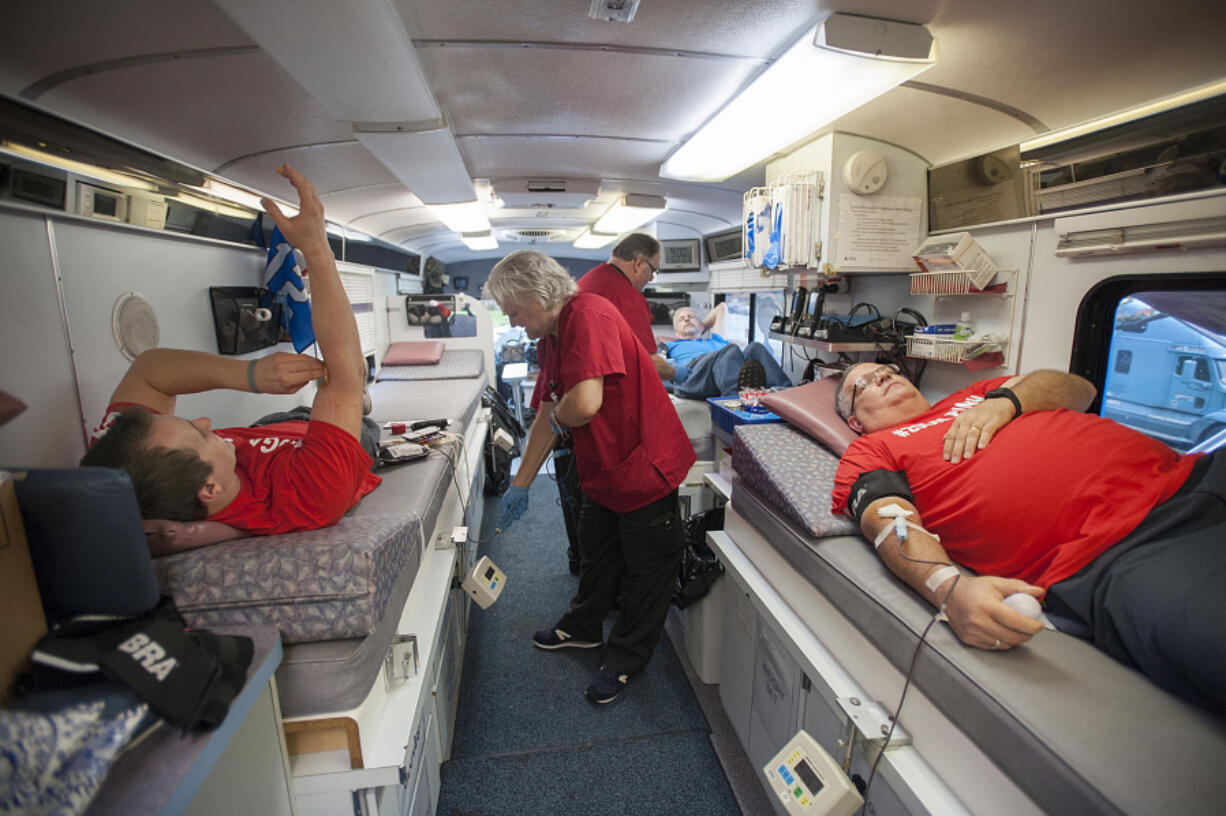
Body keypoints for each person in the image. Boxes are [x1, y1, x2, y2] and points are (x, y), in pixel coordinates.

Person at [830, 363, 1225, 715]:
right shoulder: (870, 451)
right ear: (855, 422)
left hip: (1199, 473)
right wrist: (949, 591)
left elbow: (1079, 388)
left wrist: (1005, 402)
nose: (882, 375)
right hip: (1123, 550)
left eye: (887, 368)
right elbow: (889, 521)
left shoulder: (977, 394)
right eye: (862, 384)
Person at [81, 164, 380, 548]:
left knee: (285, 417)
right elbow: (344, 375)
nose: (206, 421)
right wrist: (317, 249)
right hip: (335, 447)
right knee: (358, 408)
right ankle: (359, 415)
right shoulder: (313, 492)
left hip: (265, 429)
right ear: (210, 488)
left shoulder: (122, 462)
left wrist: (251, 375)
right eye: (199, 434)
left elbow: (148, 369)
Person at [486, 249, 696, 705]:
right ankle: (582, 627)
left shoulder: (589, 315)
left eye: (515, 311)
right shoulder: (552, 335)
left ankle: (625, 659)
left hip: (643, 465)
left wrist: (559, 422)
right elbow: (546, 409)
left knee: (645, 569)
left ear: (537, 295)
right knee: (597, 552)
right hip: (604, 467)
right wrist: (521, 481)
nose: (513, 321)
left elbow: (581, 404)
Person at [544, 234, 673, 575]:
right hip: (592, 420)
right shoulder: (622, 295)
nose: (649, 280)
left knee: (586, 513)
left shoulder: (588, 284)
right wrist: (682, 372)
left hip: (571, 412)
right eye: (652, 272)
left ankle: (585, 572)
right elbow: (650, 362)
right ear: (639, 263)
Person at [665, 305, 792, 398]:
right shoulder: (669, 345)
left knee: (755, 348)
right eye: (681, 319)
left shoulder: (716, 339)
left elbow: (722, 308)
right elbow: (656, 364)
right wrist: (695, 324)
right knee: (731, 349)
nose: (687, 319)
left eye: (691, 317)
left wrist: (699, 328)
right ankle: (735, 400)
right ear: (676, 332)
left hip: (722, 373)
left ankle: (786, 395)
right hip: (691, 375)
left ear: (702, 326)